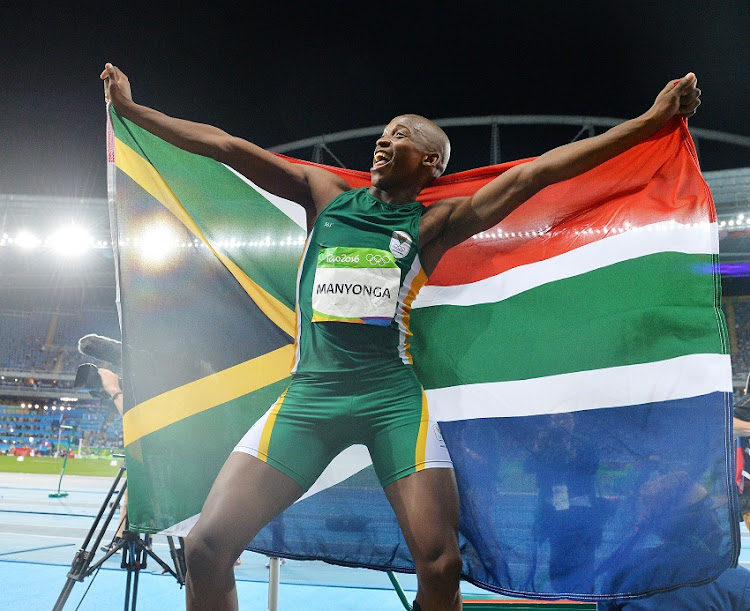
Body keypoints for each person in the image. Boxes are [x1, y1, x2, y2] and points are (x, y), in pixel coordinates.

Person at [101, 62, 700, 611]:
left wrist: (650, 122)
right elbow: (228, 146)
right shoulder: (325, 196)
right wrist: (133, 111)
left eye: (402, 134)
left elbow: (538, 173)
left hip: (392, 403)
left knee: (441, 566)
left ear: (431, 163)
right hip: (309, 400)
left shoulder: (434, 223)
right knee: (205, 550)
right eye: (384, 133)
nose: (385, 140)